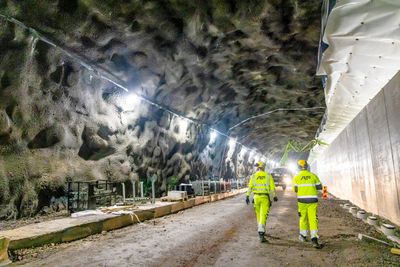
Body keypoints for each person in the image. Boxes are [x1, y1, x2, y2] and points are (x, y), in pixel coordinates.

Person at [292, 159, 323, 249]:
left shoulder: (296, 177)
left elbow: (295, 190)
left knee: (303, 218)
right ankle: (314, 238)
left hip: (301, 201)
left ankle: (303, 236)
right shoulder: (313, 175)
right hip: (312, 200)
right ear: (307, 166)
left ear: (298, 168)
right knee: (313, 218)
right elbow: (320, 187)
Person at [246, 161, 278, 243]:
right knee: (263, 215)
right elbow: (272, 188)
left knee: (259, 215)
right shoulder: (268, 176)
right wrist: (274, 196)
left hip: (256, 197)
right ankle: (261, 233)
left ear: (258, 167)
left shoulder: (253, 176)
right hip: (265, 198)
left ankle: (261, 229)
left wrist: (247, 196)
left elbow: (250, 187)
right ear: (264, 167)